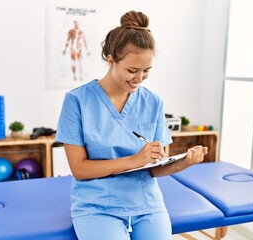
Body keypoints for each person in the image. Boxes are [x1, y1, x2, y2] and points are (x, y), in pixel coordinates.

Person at [55, 10, 208, 240]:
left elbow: (155, 168)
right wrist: (134, 160)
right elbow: (80, 169)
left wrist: (184, 162)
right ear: (111, 60)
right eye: (132, 70)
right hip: (97, 206)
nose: (139, 78)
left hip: (146, 203)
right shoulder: (77, 100)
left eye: (146, 71)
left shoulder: (153, 102)